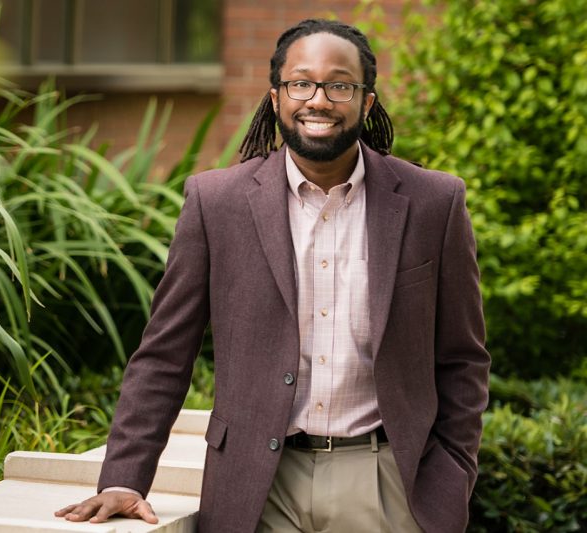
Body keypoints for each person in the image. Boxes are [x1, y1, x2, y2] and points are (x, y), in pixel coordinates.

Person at [56, 18, 490, 533]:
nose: (319, 100)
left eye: (340, 85)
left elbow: (462, 358)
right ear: (277, 97)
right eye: (301, 83)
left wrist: (453, 474)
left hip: (387, 482)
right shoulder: (216, 203)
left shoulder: (433, 202)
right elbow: (165, 354)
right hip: (256, 488)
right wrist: (125, 479)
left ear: (366, 102)